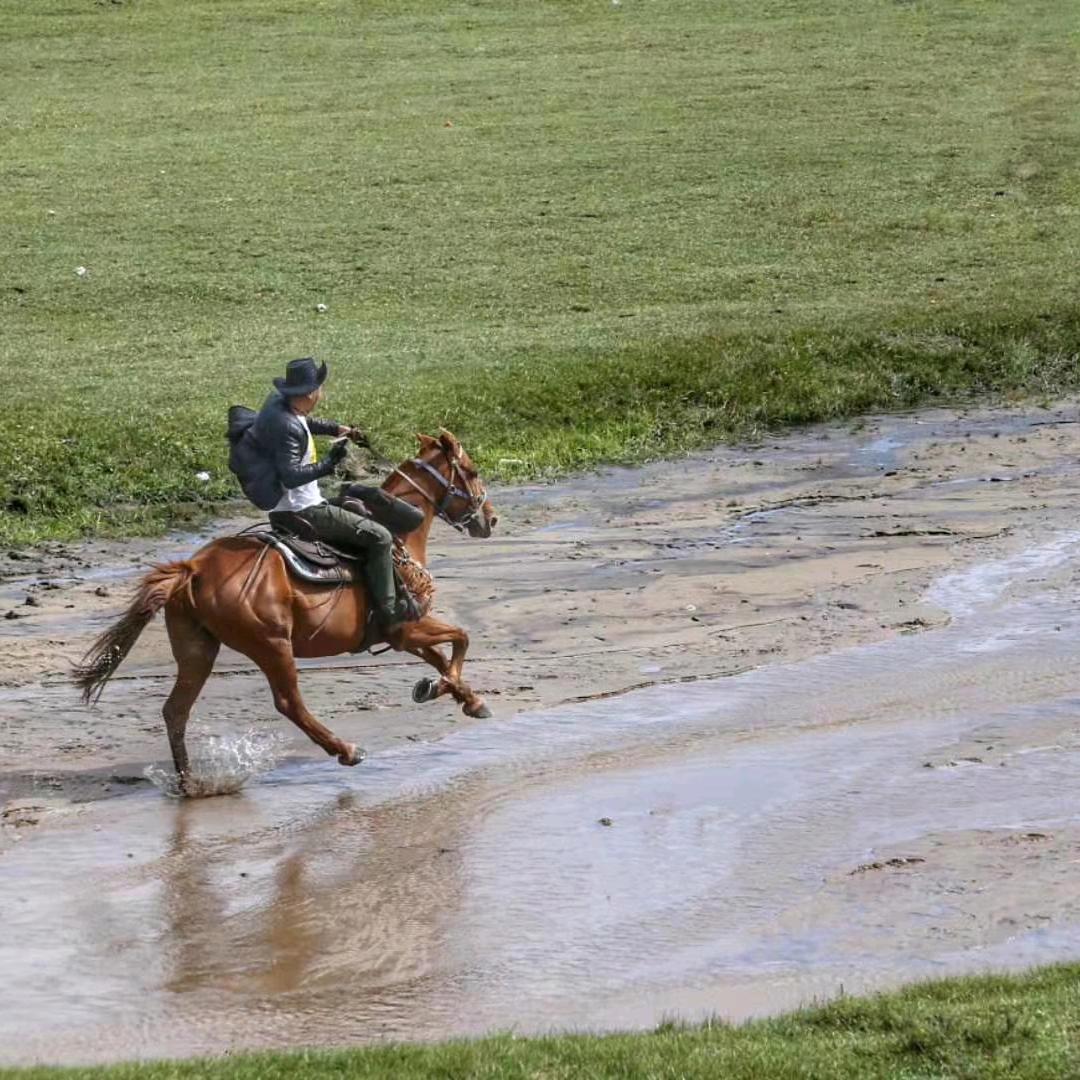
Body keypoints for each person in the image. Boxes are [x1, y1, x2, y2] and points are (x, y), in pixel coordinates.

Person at [243, 357, 418, 633]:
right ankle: (390, 612)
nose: (321, 394)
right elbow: (290, 475)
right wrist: (329, 462)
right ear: (311, 393)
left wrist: (338, 430)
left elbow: (307, 424)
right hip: (303, 509)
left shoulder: (281, 408)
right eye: (320, 389)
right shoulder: (288, 427)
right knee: (380, 537)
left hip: (290, 505)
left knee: (357, 509)